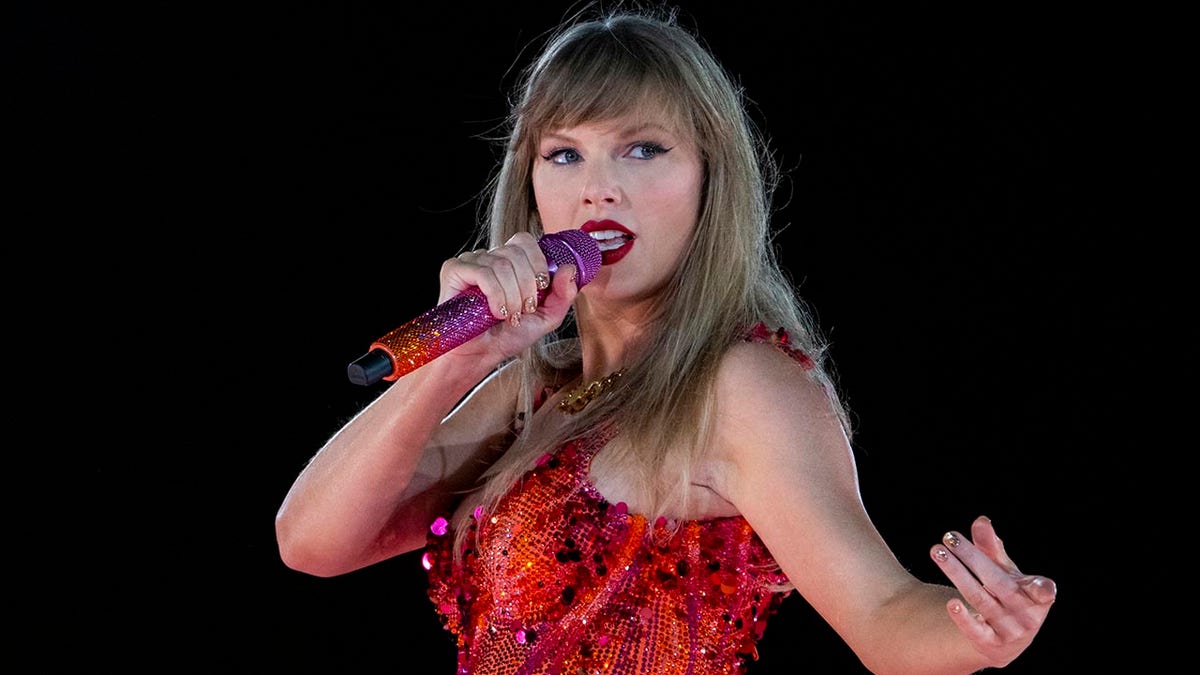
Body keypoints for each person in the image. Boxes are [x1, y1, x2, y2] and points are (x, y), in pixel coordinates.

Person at [275, 5, 1057, 674]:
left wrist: (985, 630)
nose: (599, 186)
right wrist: (457, 361)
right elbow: (310, 541)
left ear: (710, 177)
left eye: (644, 148)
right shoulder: (536, 389)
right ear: (533, 184)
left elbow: (884, 612)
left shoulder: (740, 384)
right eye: (564, 153)